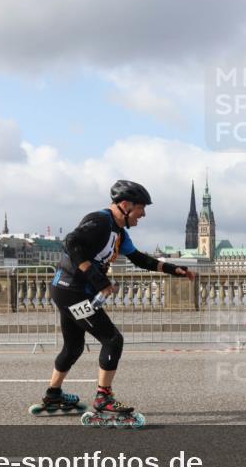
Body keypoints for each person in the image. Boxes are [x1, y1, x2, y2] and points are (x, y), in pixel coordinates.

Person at [39, 180, 196, 425]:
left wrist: (175, 269)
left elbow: (140, 259)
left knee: (73, 346)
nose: (143, 214)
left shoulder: (120, 234)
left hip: (69, 291)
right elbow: (71, 243)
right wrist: (99, 279)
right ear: (125, 205)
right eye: (141, 208)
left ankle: (53, 395)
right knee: (112, 339)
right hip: (73, 291)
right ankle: (104, 398)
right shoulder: (100, 221)